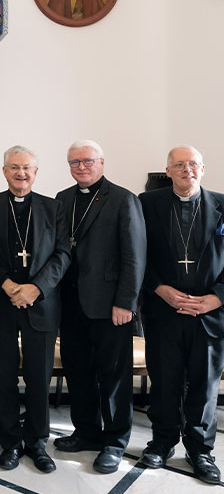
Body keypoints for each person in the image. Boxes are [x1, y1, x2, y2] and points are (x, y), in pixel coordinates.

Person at [54, 140, 146, 474]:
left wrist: (126, 302)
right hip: (71, 303)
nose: (81, 167)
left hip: (110, 306)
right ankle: (87, 432)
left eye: (87, 161)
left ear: (102, 162)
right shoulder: (63, 200)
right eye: (74, 162)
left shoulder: (123, 199)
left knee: (113, 376)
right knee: (78, 371)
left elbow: (134, 256)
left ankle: (115, 441)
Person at [138, 145, 224, 484]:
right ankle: (162, 441)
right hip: (164, 310)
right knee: (165, 381)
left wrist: (216, 298)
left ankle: (200, 450)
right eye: (179, 164)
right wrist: (160, 288)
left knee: (204, 385)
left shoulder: (223, 205)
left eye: (192, 164)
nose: (186, 169)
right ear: (168, 170)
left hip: (209, 314)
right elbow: (136, 254)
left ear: (203, 169)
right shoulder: (147, 204)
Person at [0, 146, 70, 474]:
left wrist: (36, 288)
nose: (21, 173)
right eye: (15, 168)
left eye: (27, 168)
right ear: (4, 171)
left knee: (38, 377)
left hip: (41, 304)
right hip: (0, 303)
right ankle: (9, 442)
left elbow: (62, 254)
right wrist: (6, 284)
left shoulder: (54, 207)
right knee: (3, 377)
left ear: (36, 172)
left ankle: (37, 442)